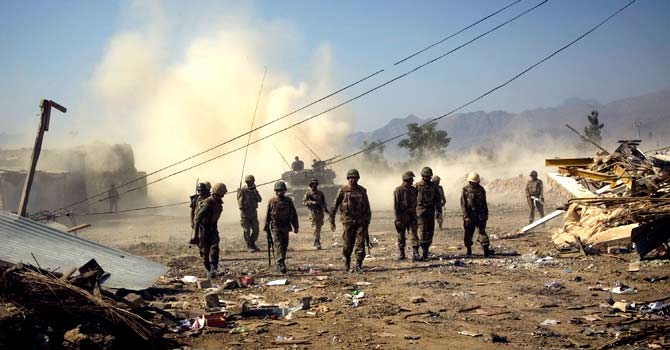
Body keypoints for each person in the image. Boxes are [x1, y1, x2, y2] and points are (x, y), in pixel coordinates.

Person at [330, 169, 372, 273]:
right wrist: (332, 220)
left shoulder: (362, 190)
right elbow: (334, 206)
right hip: (348, 222)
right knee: (347, 244)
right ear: (348, 178)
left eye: (355, 178)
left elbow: (367, 207)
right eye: (351, 178)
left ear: (358, 178)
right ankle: (347, 261)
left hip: (360, 222)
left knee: (360, 244)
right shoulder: (343, 190)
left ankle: (358, 264)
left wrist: (367, 221)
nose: (353, 180)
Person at [264, 181, 299, 273]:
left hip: (286, 226)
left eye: (282, 190)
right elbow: (267, 215)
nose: (280, 192)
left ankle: (282, 260)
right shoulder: (272, 201)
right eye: (279, 190)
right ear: (276, 191)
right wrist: (266, 227)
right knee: (278, 244)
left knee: (284, 245)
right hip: (276, 227)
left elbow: (294, 214)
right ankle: (280, 263)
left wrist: (296, 226)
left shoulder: (288, 201)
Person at [194, 182, 227, 277]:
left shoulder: (217, 201)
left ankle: (213, 270)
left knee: (214, 248)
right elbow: (198, 218)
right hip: (204, 229)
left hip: (213, 227)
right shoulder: (209, 202)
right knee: (205, 251)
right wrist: (196, 235)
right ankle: (208, 270)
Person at [460, 173, 494, 257]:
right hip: (476, 215)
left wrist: (466, 216)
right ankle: (472, 250)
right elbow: (464, 205)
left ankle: (481, 250)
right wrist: (466, 216)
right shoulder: (478, 189)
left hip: (476, 215)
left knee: (473, 233)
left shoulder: (467, 189)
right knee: (471, 233)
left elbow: (463, 205)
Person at [414, 167, 441, 260]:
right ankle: (422, 249)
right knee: (422, 231)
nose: (427, 178)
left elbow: (438, 200)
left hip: (430, 211)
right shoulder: (417, 186)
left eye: (429, 176)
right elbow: (412, 199)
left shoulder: (434, 186)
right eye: (426, 176)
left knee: (430, 231)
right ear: (422, 176)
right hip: (420, 212)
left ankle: (426, 249)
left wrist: (439, 212)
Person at [393, 171, 419, 261]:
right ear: (406, 180)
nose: (413, 180)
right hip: (402, 216)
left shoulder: (413, 190)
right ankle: (401, 253)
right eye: (411, 179)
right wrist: (397, 219)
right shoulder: (398, 190)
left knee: (414, 234)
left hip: (412, 215)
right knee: (401, 235)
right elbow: (396, 206)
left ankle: (415, 253)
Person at [238, 175, 262, 252]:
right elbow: (240, 204)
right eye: (249, 182)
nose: (251, 183)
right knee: (246, 231)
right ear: (247, 182)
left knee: (256, 229)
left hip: (253, 213)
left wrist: (255, 192)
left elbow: (259, 199)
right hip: (245, 214)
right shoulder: (243, 191)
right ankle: (249, 245)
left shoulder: (254, 191)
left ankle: (252, 243)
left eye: (252, 182)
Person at [303, 178, 329, 250]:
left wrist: (325, 208)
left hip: (320, 213)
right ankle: (317, 241)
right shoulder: (308, 194)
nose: (314, 186)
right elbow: (304, 202)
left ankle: (317, 239)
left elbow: (324, 202)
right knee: (315, 227)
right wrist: (311, 202)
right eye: (313, 184)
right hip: (313, 213)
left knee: (319, 228)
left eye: (315, 184)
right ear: (310, 185)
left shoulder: (321, 193)